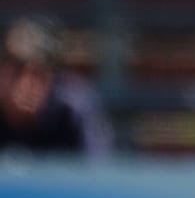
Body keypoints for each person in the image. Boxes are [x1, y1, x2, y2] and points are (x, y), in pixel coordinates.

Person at [0, 15, 114, 157]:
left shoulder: (74, 109)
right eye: (17, 70)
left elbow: (97, 165)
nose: (26, 84)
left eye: (39, 73)